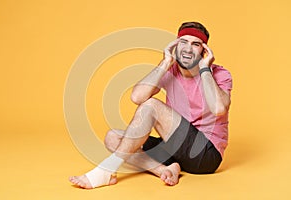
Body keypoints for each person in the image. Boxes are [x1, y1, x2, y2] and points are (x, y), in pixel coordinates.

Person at [69, 22, 232, 189]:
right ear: (176, 45)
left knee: (152, 105)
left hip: (204, 155)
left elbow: (219, 109)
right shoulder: (171, 71)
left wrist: (205, 69)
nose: (188, 49)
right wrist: (166, 61)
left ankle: (107, 170)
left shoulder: (220, 74)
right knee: (112, 138)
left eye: (195, 44)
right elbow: (137, 97)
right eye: (183, 42)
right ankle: (165, 170)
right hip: (174, 148)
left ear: (204, 51)